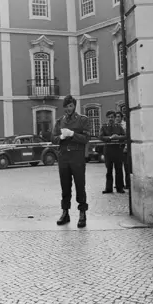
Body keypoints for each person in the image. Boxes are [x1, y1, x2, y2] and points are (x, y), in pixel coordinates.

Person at [52, 95, 90, 228]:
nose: (68, 109)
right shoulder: (59, 121)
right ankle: (65, 212)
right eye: (66, 106)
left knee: (80, 185)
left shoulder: (82, 120)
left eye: (70, 106)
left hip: (77, 157)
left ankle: (82, 213)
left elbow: (86, 138)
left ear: (74, 106)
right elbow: (53, 138)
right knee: (65, 186)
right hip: (63, 157)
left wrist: (73, 135)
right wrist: (61, 137)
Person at [100, 110, 126, 194]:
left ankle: (120, 188)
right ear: (107, 118)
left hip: (117, 150)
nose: (110, 119)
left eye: (112, 117)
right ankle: (108, 188)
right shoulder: (104, 127)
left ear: (114, 118)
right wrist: (110, 138)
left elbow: (125, 136)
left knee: (119, 170)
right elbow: (100, 136)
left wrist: (118, 137)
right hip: (108, 150)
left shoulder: (118, 127)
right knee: (109, 170)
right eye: (109, 117)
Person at [116, 111, 131, 191]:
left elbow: (127, 137)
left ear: (121, 117)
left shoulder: (124, 125)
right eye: (116, 117)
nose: (117, 118)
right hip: (117, 149)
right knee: (118, 167)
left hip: (124, 148)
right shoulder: (114, 126)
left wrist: (126, 147)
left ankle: (128, 184)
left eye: (118, 116)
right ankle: (119, 184)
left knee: (126, 167)